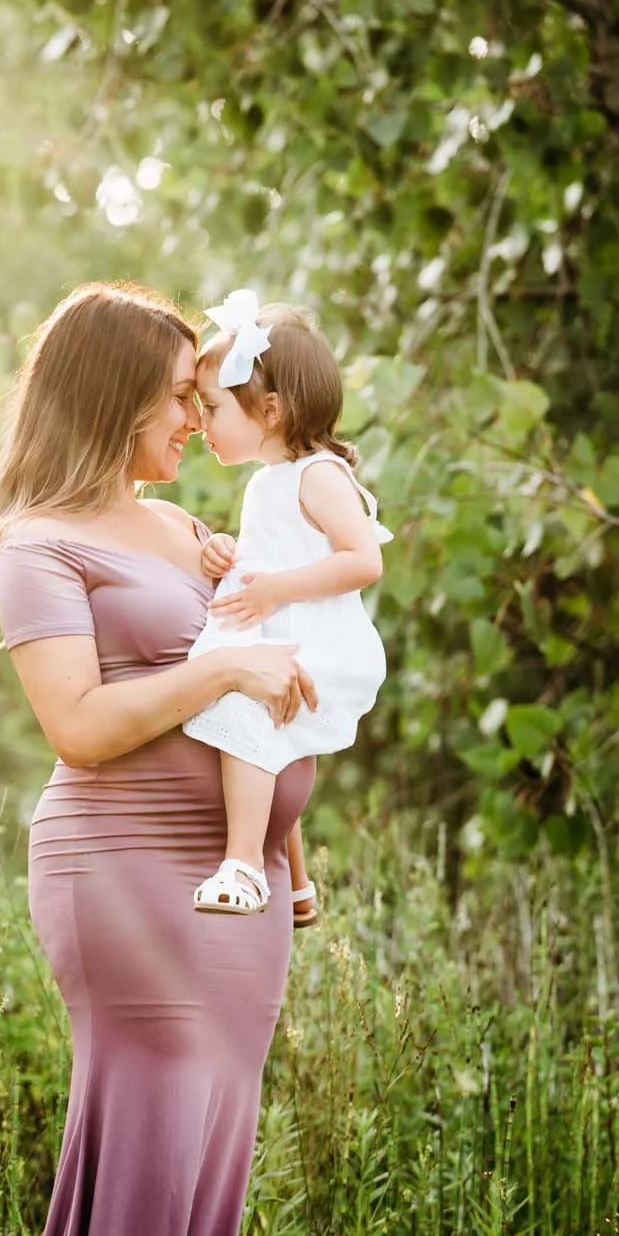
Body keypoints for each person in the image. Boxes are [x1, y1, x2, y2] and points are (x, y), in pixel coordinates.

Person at [0, 280, 317, 1236]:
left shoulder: (180, 528)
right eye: (177, 391)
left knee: (209, 1146)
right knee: (159, 1131)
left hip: (234, 880)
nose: (198, 411)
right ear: (110, 394)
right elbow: (82, 726)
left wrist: (286, 841)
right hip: (116, 866)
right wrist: (218, 660)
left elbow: (257, 706)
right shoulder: (36, 546)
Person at [184, 290, 391, 922]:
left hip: (318, 642)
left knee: (247, 716)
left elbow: (363, 560)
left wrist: (275, 589)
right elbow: (269, 551)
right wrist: (227, 553)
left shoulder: (319, 475)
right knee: (266, 743)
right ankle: (296, 884)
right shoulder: (269, 480)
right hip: (281, 628)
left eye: (213, 407)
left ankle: (244, 863)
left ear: (269, 410)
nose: (200, 424)